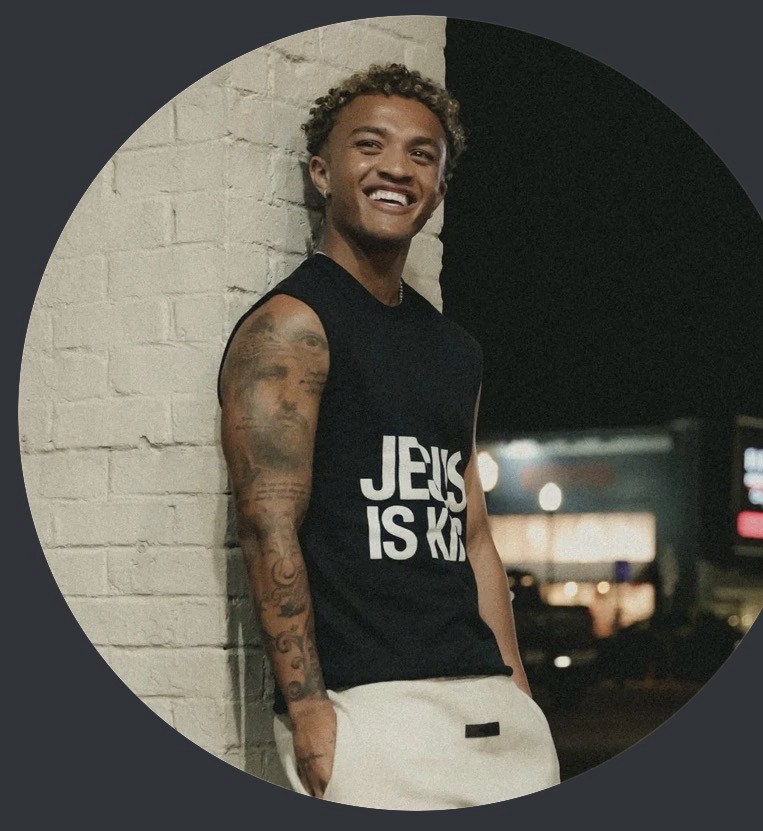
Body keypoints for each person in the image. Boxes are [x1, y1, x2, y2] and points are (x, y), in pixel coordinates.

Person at [217, 62, 559, 810]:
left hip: (486, 705)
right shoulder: (293, 326)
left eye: (422, 154)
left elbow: (470, 530)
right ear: (321, 170)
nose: (396, 168)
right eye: (368, 145)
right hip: (366, 704)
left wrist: (516, 686)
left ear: (439, 187)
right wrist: (306, 706)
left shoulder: (455, 349)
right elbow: (267, 519)